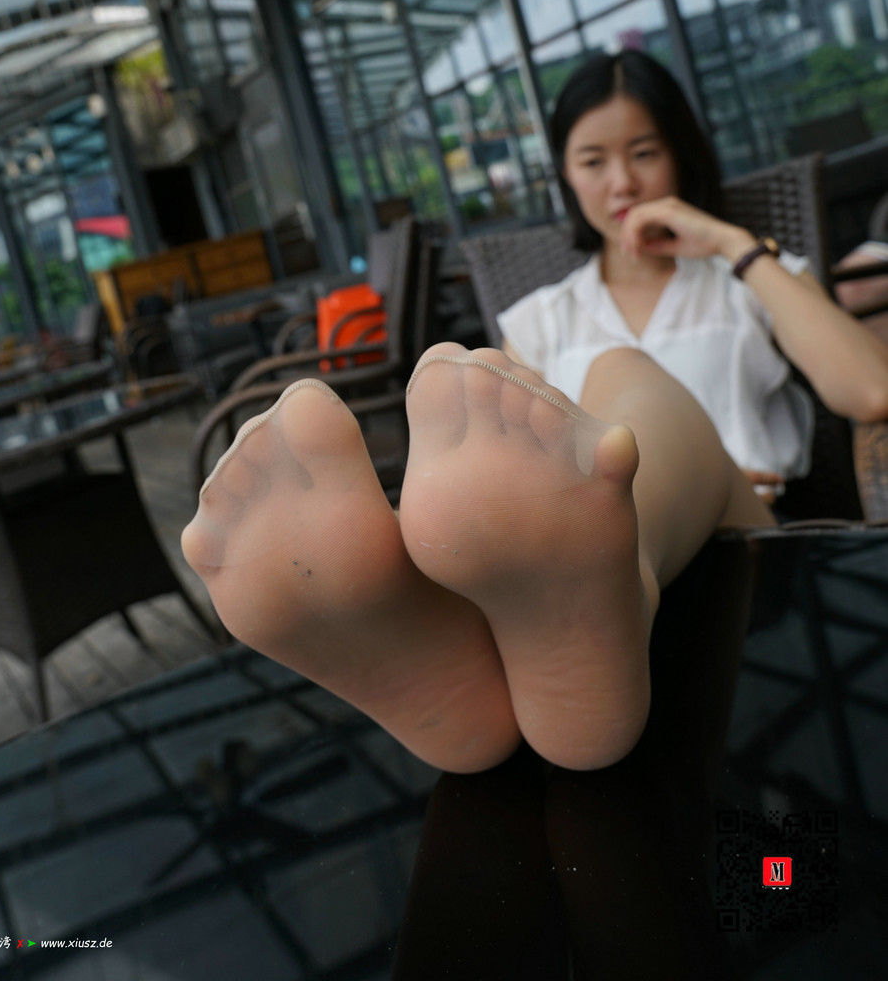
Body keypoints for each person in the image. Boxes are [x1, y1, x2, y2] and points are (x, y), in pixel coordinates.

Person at [182, 50, 888, 778]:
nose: (622, 181)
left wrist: (733, 245)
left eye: (645, 153)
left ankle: (577, 601)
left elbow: (872, 391)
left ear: (682, 154)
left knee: (621, 373)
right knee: (510, 474)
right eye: (594, 160)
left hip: (744, 543)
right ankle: (455, 668)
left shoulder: (748, 277)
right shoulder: (544, 315)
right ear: (566, 175)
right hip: (581, 611)